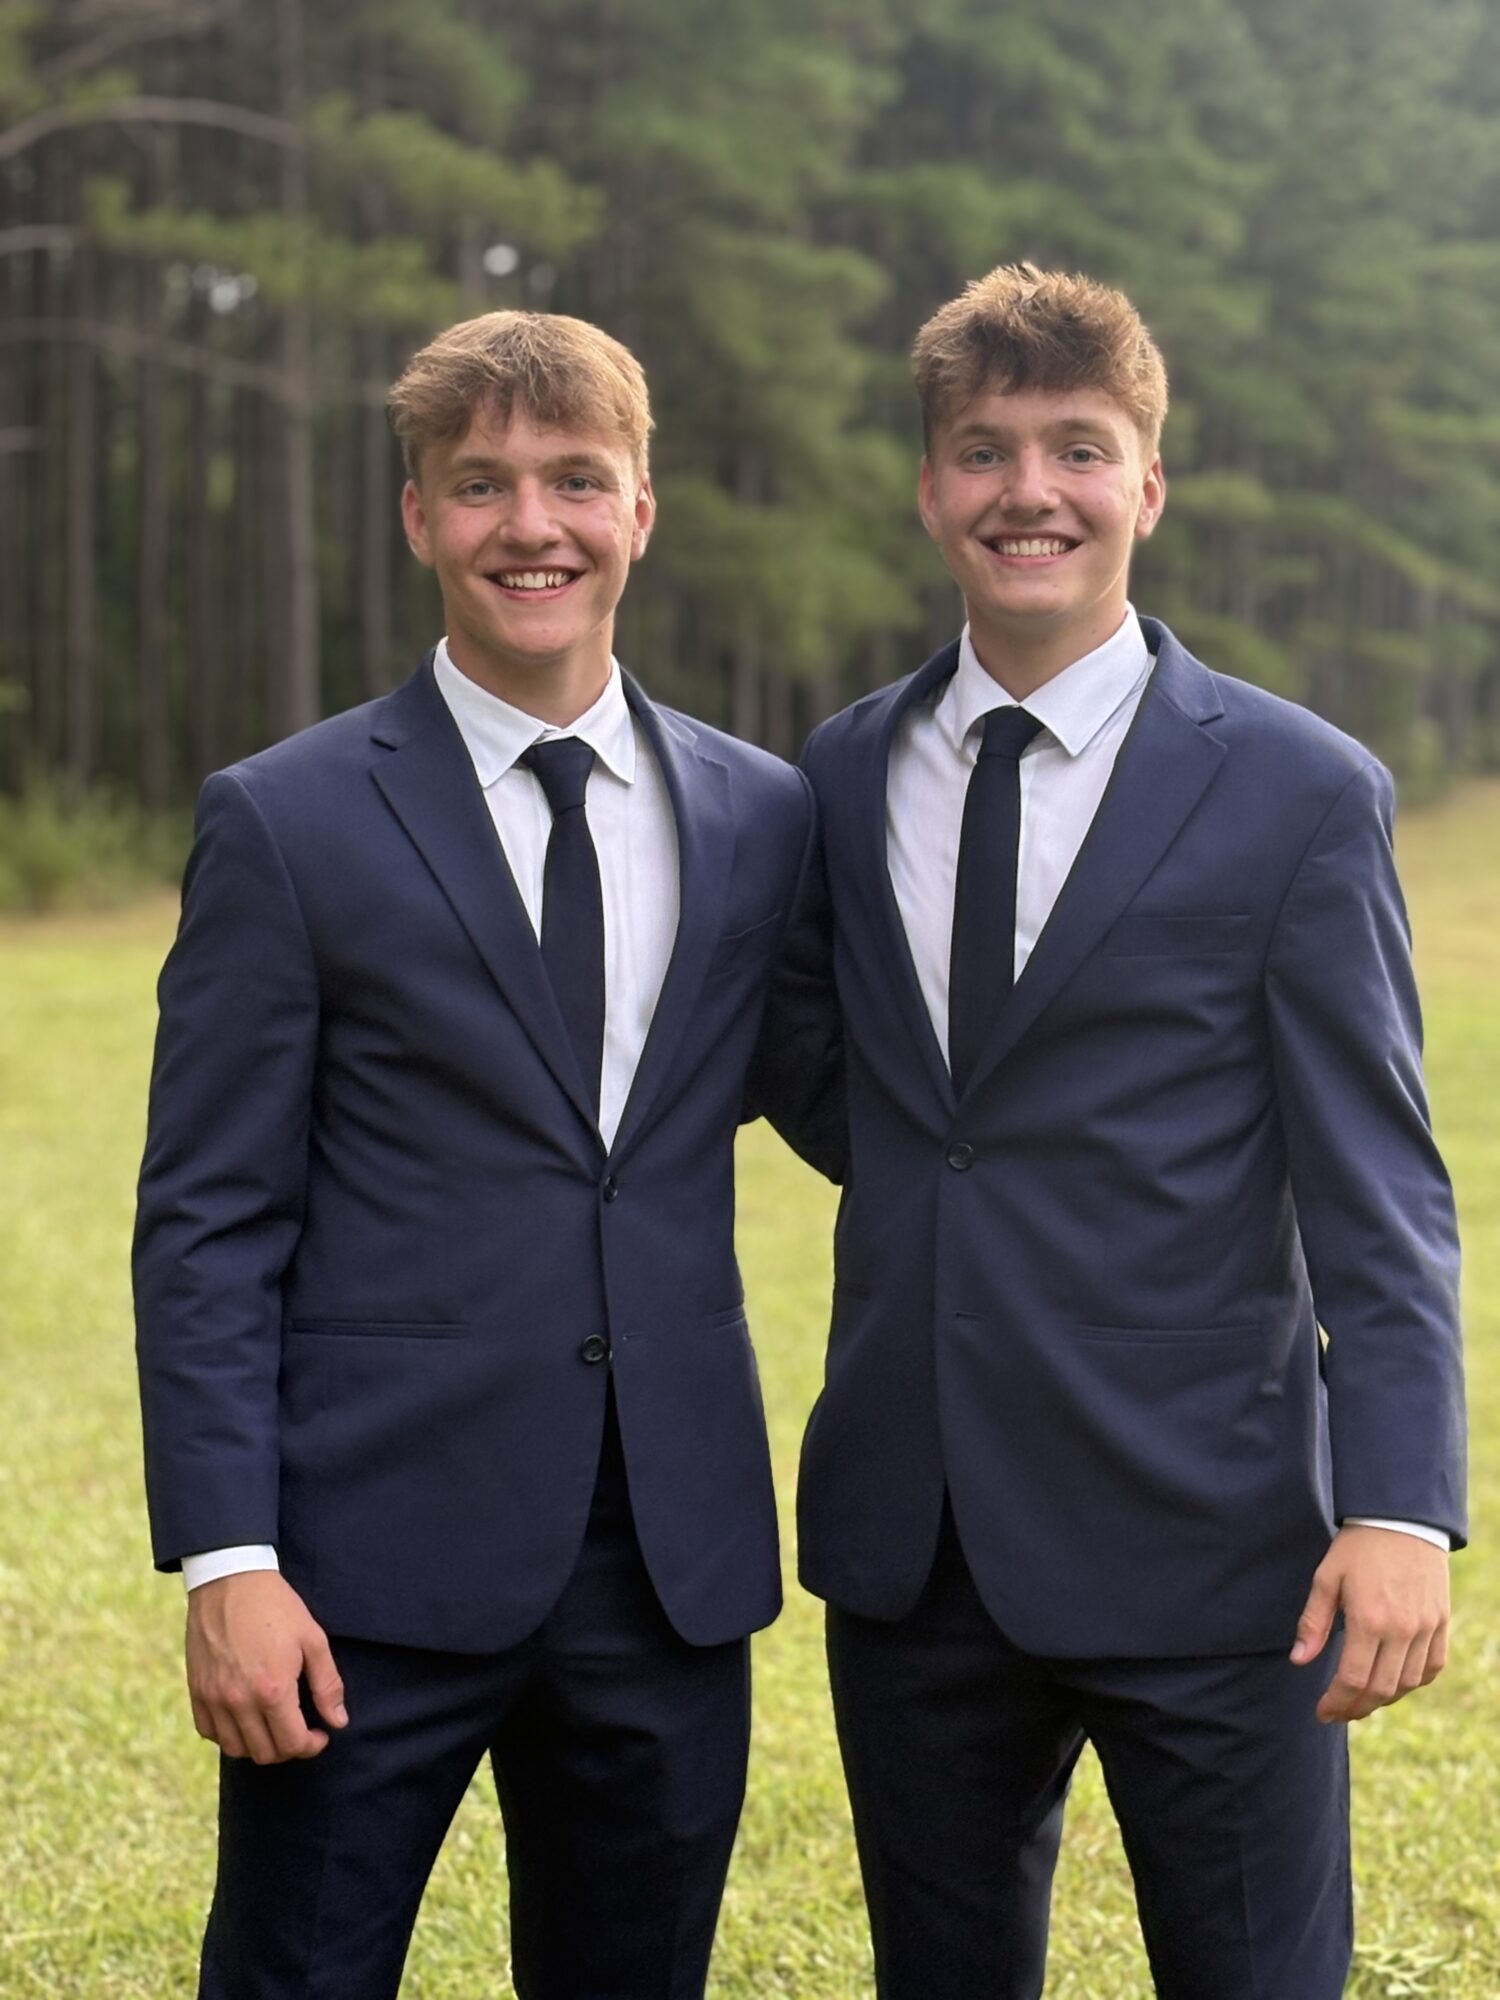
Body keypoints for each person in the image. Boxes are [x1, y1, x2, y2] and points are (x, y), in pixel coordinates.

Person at [133, 309, 838, 2000]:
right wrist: (229, 1560)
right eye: (481, 484)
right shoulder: (286, 818)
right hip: (360, 1571)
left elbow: (861, 1111)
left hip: (668, 1566)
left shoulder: (763, 815)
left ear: (642, 507)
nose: (534, 525)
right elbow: (208, 1220)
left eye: (576, 480)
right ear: (417, 516)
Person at [789, 264, 1466, 1998]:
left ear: (1147, 485)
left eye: (1078, 449)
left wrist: (1402, 1507)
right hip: (917, 1545)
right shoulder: (841, 775)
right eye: (984, 450)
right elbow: (846, 1082)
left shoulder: (1301, 791)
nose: (1030, 490)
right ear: (929, 488)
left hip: (1217, 1545)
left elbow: (1380, 1185)